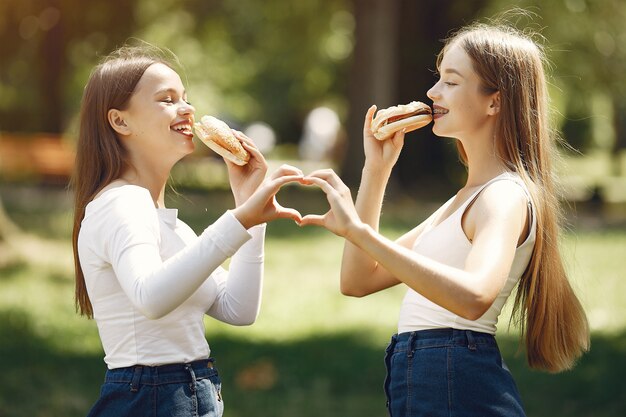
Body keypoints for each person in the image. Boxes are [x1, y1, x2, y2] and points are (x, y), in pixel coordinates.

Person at [299, 23, 590, 416]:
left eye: (451, 82)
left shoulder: (503, 196)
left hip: (454, 374)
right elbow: (357, 280)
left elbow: (474, 297)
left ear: (494, 102)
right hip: (426, 373)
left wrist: (357, 230)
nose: (433, 92)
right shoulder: (464, 199)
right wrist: (377, 171)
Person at [70, 44, 303, 417]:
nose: (188, 108)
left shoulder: (169, 222)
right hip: (149, 398)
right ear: (120, 121)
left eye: (185, 97)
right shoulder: (120, 203)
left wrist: (250, 214)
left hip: (189, 391)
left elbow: (238, 309)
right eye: (167, 99)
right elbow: (150, 296)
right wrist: (238, 220)